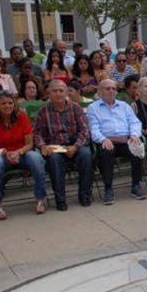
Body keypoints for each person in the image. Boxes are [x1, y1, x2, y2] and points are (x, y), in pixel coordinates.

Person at [0, 92, 48, 218]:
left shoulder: (22, 117)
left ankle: (40, 199)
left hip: (22, 152)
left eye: (10, 103)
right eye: (3, 103)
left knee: (36, 158)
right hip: (1, 155)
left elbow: (29, 144)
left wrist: (18, 152)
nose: (7, 106)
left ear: (14, 104)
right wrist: (6, 153)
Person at [33, 79, 93, 210]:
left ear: (66, 92)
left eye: (61, 90)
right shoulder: (43, 111)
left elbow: (84, 130)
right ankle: (60, 199)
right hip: (55, 147)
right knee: (54, 160)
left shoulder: (76, 108)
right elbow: (36, 132)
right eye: (54, 91)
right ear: (49, 93)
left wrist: (76, 146)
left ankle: (85, 195)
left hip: (75, 144)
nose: (58, 94)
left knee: (86, 155)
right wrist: (43, 146)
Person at [86, 79, 145, 204]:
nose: (111, 91)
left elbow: (135, 122)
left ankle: (136, 185)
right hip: (107, 140)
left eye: (113, 88)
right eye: (108, 88)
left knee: (138, 148)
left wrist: (134, 134)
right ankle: (108, 189)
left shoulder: (124, 106)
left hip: (125, 140)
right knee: (106, 153)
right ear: (100, 91)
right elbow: (94, 129)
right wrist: (103, 139)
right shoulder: (93, 108)